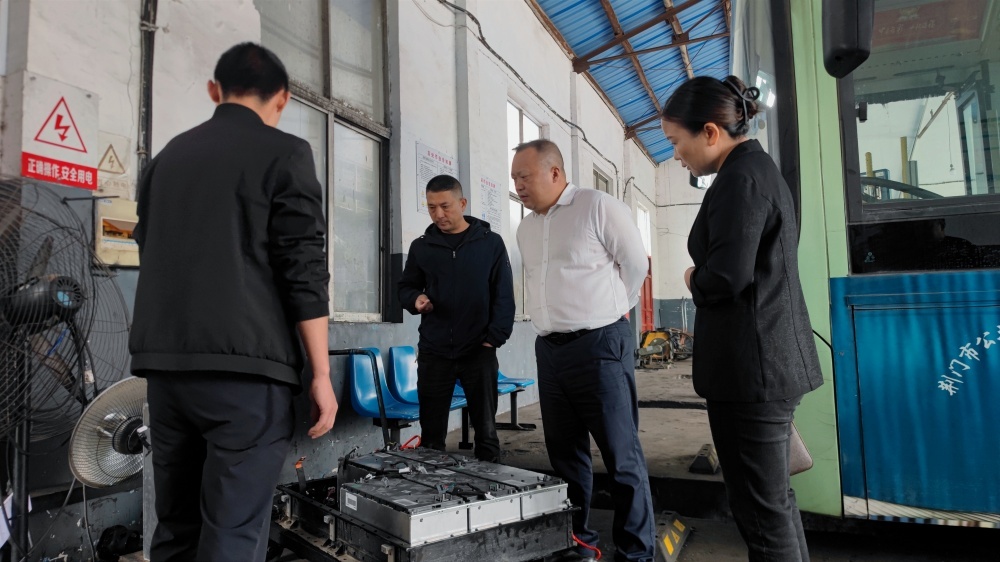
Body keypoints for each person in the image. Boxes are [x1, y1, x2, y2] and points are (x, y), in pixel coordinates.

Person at [130, 43, 338, 562]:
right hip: (247, 377)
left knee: (175, 527)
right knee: (233, 533)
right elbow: (303, 268)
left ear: (214, 91)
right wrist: (320, 373)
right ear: (282, 99)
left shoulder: (165, 160)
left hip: (167, 373)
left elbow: (148, 248)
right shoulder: (286, 153)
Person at [660, 75, 824, 562]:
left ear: (710, 132)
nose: (675, 154)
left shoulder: (741, 179)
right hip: (765, 363)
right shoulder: (756, 170)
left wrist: (693, 277)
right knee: (773, 504)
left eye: (676, 141)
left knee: (760, 513)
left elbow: (728, 276)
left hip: (753, 372)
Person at [512, 140, 655, 562]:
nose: (518, 185)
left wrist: (609, 311)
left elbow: (636, 266)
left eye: (525, 176)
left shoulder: (597, 206)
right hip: (550, 351)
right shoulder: (526, 228)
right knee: (565, 456)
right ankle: (580, 543)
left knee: (620, 454)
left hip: (599, 345)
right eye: (514, 178)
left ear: (555, 173)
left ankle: (636, 552)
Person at [398, 174, 515, 461]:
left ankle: (492, 484)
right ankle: (432, 487)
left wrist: (493, 340)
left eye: (445, 206)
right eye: (431, 207)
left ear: (462, 203)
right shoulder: (422, 247)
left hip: (479, 350)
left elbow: (503, 296)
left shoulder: (490, 244)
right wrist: (415, 299)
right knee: (431, 436)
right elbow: (405, 287)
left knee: (486, 432)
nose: (438, 214)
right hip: (434, 352)